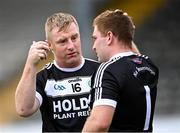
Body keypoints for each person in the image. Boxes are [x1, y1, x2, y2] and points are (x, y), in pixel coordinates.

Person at [15, 12, 100, 132]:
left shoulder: (101, 71)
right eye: (63, 41)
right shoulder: (43, 78)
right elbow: (23, 110)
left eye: (74, 38)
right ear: (49, 45)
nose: (71, 46)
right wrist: (30, 64)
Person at [82, 9, 159, 132]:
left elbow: (99, 123)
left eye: (95, 38)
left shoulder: (108, 69)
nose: (93, 46)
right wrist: (124, 29)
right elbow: (132, 56)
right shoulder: (148, 65)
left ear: (109, 37)